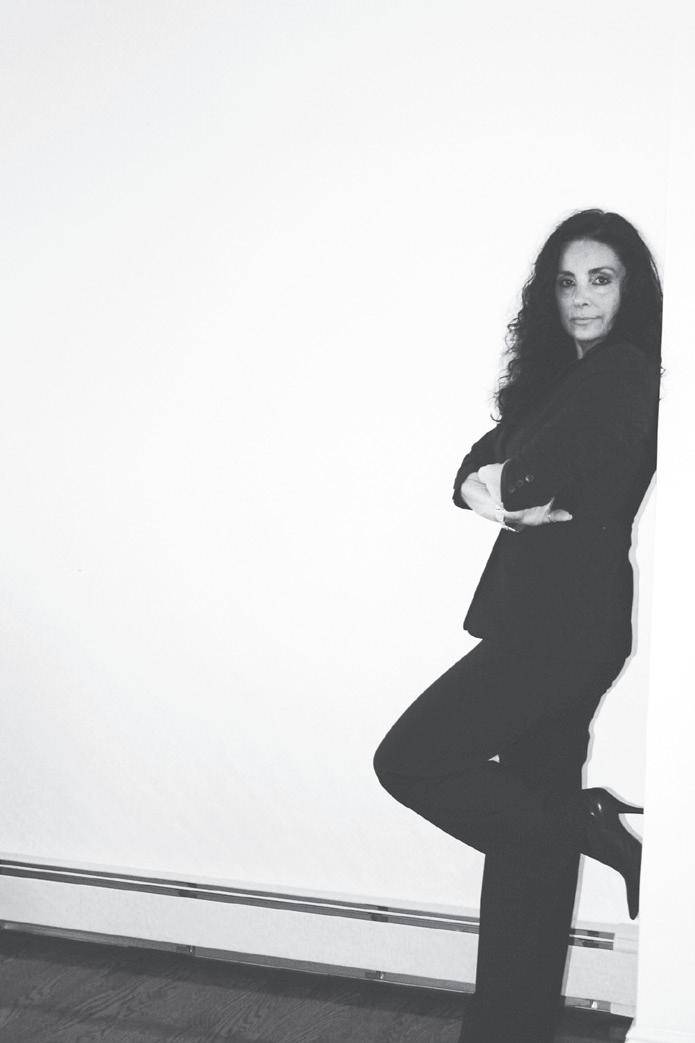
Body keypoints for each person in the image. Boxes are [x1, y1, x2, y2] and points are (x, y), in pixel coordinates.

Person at [372, 209, 662, 1043]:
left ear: (629, 289)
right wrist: (493, 490)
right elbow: (471, 471)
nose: (581, 298)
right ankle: (509, 1026)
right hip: (558, 622)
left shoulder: (619, 372)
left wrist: (504, 486)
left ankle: (582, 822)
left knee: (410, 760)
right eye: (566, 282)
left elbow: (523, 476)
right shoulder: (563, 381)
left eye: (600, 279)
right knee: (524, 835)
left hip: (558, 629)